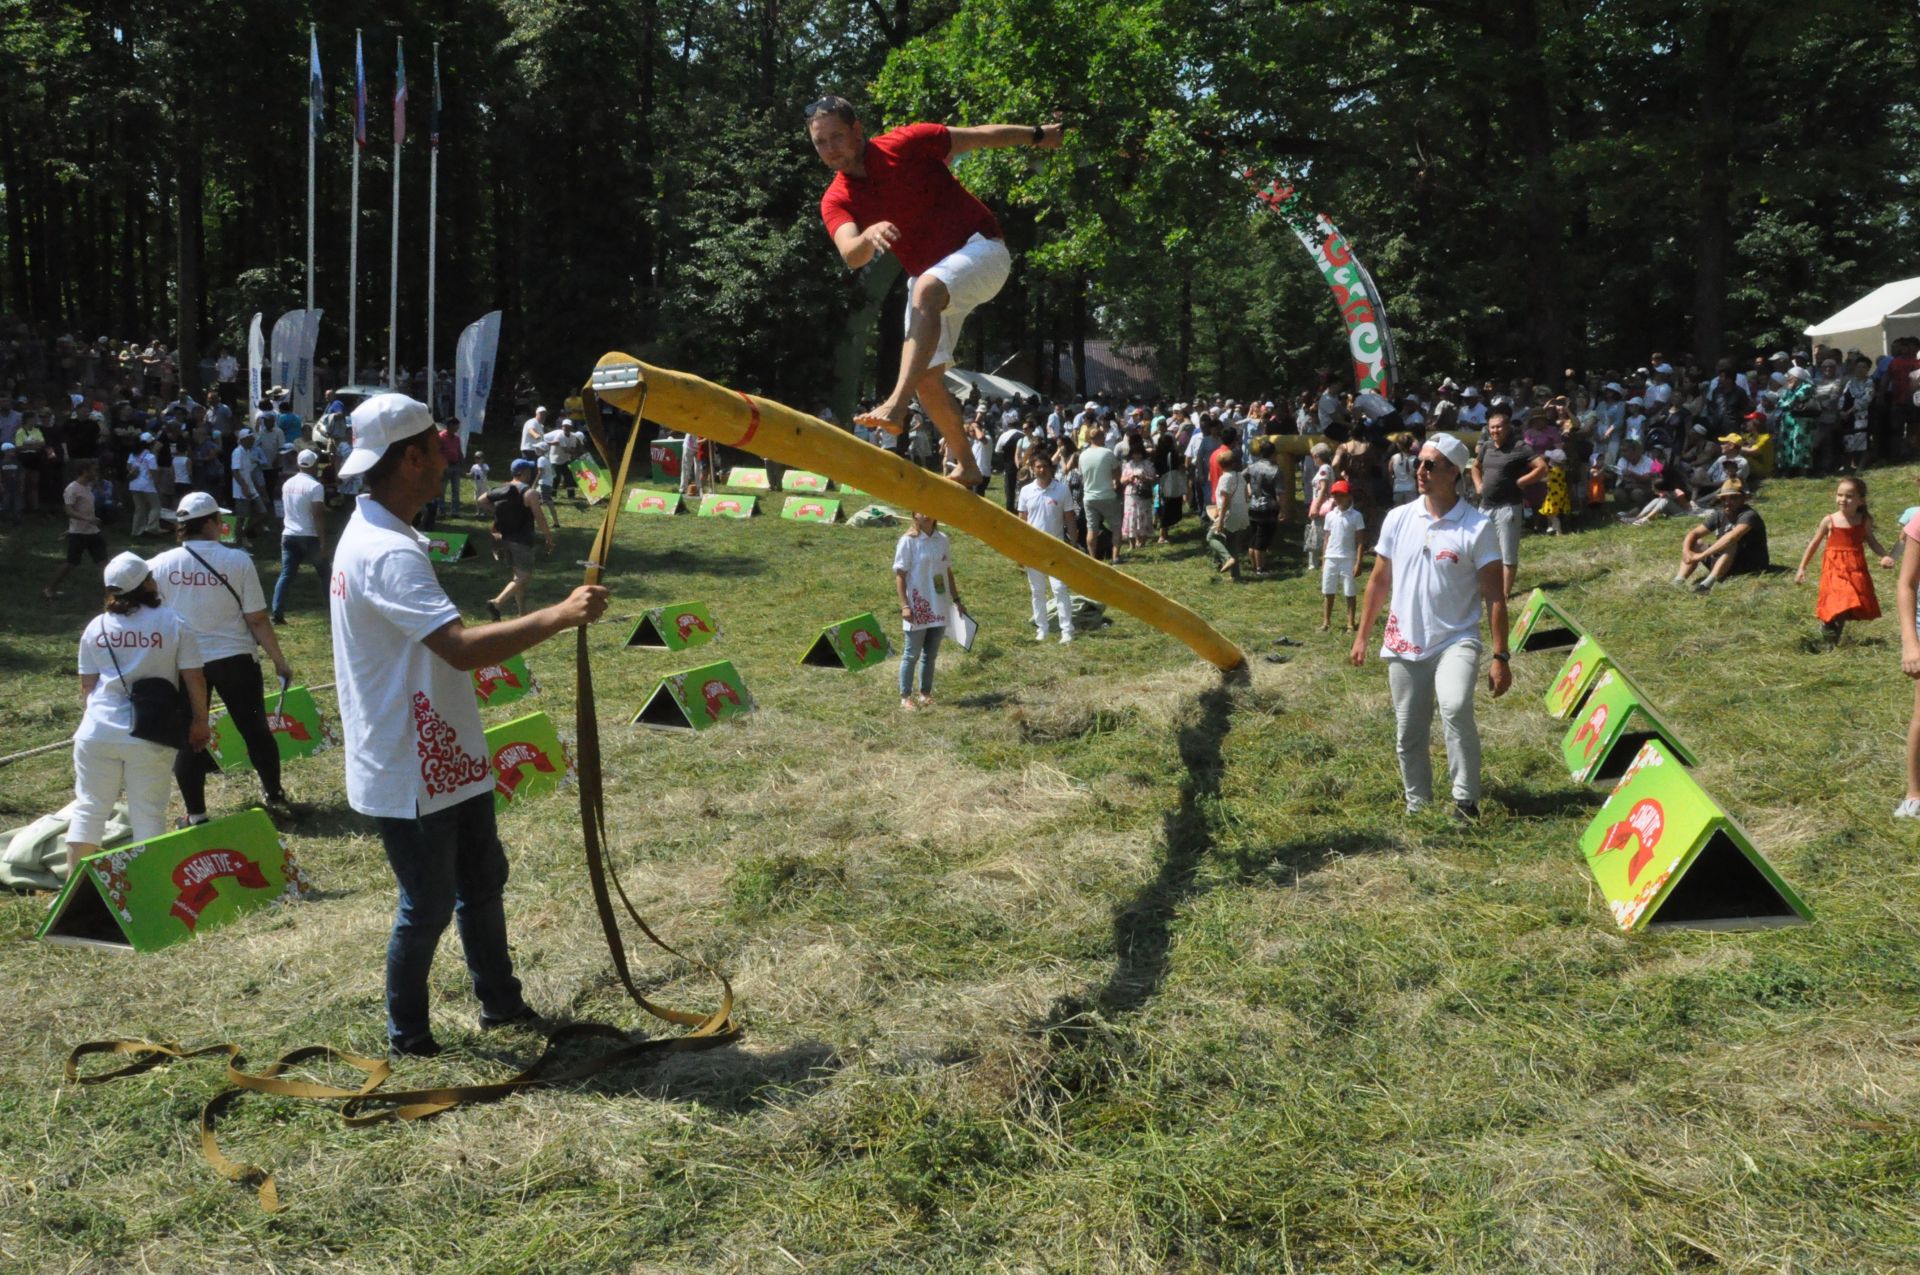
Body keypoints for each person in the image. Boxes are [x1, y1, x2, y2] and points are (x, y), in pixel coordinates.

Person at [328, 392, 609, 1056]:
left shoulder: (380, 532)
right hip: (409, 762)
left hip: (440, 751)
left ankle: (500, 1003)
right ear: (412, 457)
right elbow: (458, 647)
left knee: (482, 881)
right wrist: (560, 613)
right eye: (438, 447)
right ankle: (409, 1038)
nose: (448, 458)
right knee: (425, 905)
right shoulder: (386, 550)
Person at [808, 95, 1062, 486]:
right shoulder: (836, 198)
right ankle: (967, 463)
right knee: (927, 374)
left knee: (923, 288)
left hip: (983, 250)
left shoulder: (906, 142)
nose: (831, 150)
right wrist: (869, 235)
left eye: (837, 137)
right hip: (933, 279)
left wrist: (1038, 135)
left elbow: (980, 137)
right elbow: (851, 254)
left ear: (858, 129)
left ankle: (896, 404)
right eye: (821, 143)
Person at [1350, 433, 1509, 819]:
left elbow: (1495, 597)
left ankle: (1465, 801)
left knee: (1454, 708)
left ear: (1454, 472)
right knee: (1409, 731)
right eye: (1417, 462)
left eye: (1429, 464)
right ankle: (1418, 806)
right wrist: (1362, 635)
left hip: (1457, 638)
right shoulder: (1398, 518)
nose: (1419, 470)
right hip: (1404, 641)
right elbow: (1378, 581)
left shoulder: (1476, 527)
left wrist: (1501, 656)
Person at [150, 490, 298, 823]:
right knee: (255, 729)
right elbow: (257, 618)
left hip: (186, 665)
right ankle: (274, 794)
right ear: (215, 522)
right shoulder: (238, 561)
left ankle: (196, 815)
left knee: (190, 737)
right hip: (236, 660)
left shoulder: (158, 565)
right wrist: (279, 660)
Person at [66, 552, 212, 875]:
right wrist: (201, 721)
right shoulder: (174, 622)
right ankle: (150, 888)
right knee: (148, 812)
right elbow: (194, 678)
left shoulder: (95, 627)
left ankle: (72, 891)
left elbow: (87, 687)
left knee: (89, 809)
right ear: (146, 584)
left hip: (96, 732)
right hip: (151, 732)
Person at [1794, 476, 1893, 648]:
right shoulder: (1829, 520)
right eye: (1839, 495)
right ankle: (1828, 631)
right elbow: (1814, 543)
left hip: (1856, 568)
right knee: (1840, 599)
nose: (1842, 499)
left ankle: (1832, 639)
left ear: (1860, 500)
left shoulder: (1863, 521)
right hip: (1834, 568)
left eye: (1848, 496)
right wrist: (1801, 568)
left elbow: (1872, 541)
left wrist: (1884, 555)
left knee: (1848, 605)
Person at [1468, 408, 1545, 597]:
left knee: (1507, 554)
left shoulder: (1519, 447)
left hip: (1508, 507)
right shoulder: (1486, 447)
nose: (1495, 431)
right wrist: (1478, 485)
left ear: (1508, 427)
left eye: (1499, 427)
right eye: (1492, 428)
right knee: (1482, 551)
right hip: (1485, 507)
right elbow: (1475, 466)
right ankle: (1484, 588)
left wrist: (1522, 481)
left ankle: (1503, 594)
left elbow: (1541, 467)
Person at [892, 511, 961, 710]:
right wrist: (905, 605)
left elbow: (947, 572)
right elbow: (900, 575)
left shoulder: (942, 539)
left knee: (930, 655)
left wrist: (956, 599)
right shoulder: (908, 541)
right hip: (917, 605)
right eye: (922, 511)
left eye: (931, 509)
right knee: (911, 654)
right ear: (914, 515)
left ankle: (925, 693)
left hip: (939, 604)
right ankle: (905, 696)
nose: (927, 514)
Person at [478, 458, 555, 621]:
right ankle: (496, 603)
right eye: (530, 471)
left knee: (518, 576)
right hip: (521, 540)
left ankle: (522, 613)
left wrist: (497, 512)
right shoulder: (529, 492)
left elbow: (481, 500)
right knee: (524, 576)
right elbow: (540, 518)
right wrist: (548, 537)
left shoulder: (503, 488)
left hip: (502, 539)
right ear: (525, 473)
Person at [1017, 453, 1077, 643]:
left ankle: (1067, 630)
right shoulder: (1026, 491)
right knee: (1037, 590)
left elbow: (1070, 518)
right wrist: (1019, 550)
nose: (1041, 470)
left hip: (1056, 548)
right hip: (1033, 549)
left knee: (1059, 588)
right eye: (1038, 467)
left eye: (1044, 466)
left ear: (1050, 468)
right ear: (1033, 469)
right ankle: (1042, 628)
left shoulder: (1062, 490)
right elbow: (1021, 522)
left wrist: (1073, 545)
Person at [1674, 478, 1769, 594]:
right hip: (1726, 561)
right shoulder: (1719, 514)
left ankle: (1708, 584)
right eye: (1724, 498)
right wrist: (1686, 551)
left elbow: (1732, 537)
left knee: (1731, 543)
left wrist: (1700, 556)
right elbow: (1693, 533)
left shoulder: (1749, 515)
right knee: (1696, 543)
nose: (1727, 502)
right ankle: (1678, 581)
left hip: (1749, 565)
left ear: (1744, 498)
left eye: (1733, 497)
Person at [272, 449, 329, 625]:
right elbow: (317, 515)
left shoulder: (288, 484)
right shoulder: (315, 487)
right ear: (314, 466)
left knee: (286, 574)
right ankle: (334, 609)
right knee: (326, 574)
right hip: (309, 535)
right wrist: (323, 542)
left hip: (289, 534)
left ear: (299, 464)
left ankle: (277, 611)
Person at [45, 459, 107, 600]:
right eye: (93, 470)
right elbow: (69, 511)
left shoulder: (88, 486)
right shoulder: (72, 489)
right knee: (70, 563)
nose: (96, 472)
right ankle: (49, 589)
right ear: (84, 471)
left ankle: (110, 594)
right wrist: (87, 519)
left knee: (103, 563)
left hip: (93, 532)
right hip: (79, 534)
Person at [1320, 479, 1365, 632]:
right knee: (1328, 590)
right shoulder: (1330, 515)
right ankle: (1326, 622)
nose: (1338, 498)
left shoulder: (1356, 516)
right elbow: (1326, 538)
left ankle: (1350, 623)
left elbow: (1360, 541)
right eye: (1335, 495)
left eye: (1341, 495)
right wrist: (1323, 559)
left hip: (1348, 558)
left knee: (1349, 591)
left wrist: (1358, 562)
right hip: (1331, 557)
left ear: (1349, 496)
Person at [1205, 447, 1251, 580]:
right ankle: (1235, 575)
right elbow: (1246, 495)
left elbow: (1225, 501)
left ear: (1220, 465)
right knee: (1232, 543)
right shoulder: (1240, 476)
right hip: (1241, 512)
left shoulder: (1225, 478)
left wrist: (1220, 521)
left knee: (1211, 537)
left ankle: (1227, 559)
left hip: (1229, 513)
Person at [1078, 433, 1120, 562]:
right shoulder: (1107, 453)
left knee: (1092, 529)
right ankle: (1115, 557)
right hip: (1107, 495)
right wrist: (1115, 482)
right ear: (1101, 438)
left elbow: (1081, 475)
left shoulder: (1082, 455)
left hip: (1089, 497)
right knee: (1116, 526)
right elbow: (1117, 472)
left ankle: (1092, 558)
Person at [1119, 434, 1157, 556]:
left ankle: (1142, 542)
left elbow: (1153, 479)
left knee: (1143, 517)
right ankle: (1131, 544)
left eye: (1139, 453)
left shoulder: (1147, 464)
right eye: (1134, 453)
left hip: (1143, 494)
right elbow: (1121, 480)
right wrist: (1129, 478)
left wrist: (1144, 478)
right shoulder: (1128, 464)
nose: (1137, 456)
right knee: (1130, 517)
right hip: (1130, 494)